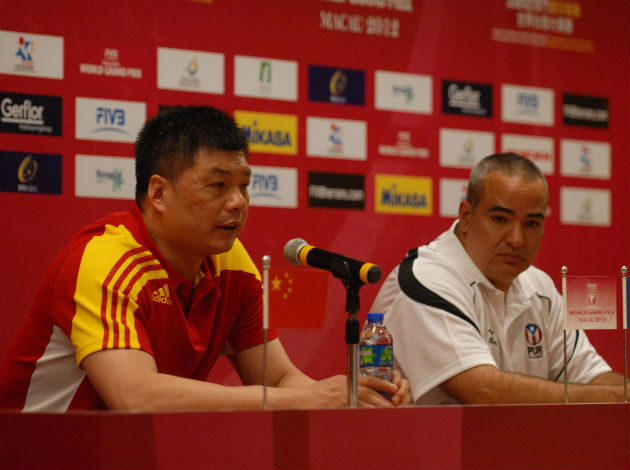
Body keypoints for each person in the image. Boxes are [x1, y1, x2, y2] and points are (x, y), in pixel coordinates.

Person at [0, 105, 409, 412]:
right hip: (38, 453)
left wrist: (353, 396)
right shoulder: (104, 260)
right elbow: (135, 397)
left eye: (244, 185)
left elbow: (279, 378)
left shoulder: (231, 262)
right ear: (159, 193)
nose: (238, 202)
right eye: (217, 185)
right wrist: (304, 399)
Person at [371, 152, 627, 405]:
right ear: (466, 216)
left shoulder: (541, 288)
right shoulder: (426, 278)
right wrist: (617, 396)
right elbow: (484, 392)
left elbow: (594, 378)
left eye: (532, 224)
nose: (516, 240)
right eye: (500, 219)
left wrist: (620, 393)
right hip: (420, 435)